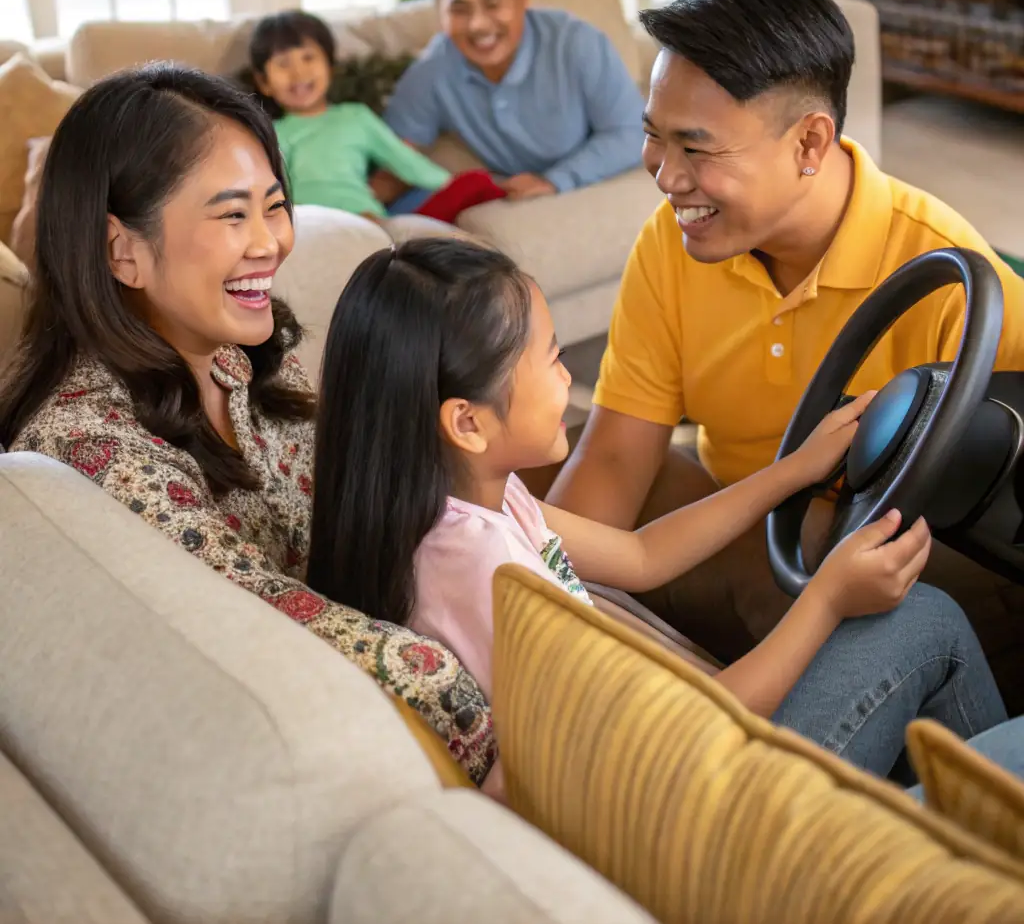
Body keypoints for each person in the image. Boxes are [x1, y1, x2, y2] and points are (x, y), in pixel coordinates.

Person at [307, 236, 1006, 797]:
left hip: (660, 770)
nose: (565, 381)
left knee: (917, 624)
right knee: (929, 622)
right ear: (466, 421)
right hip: (691, 812)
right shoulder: (483, 571)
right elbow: (687, 724)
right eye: (551, 362)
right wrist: (827, 599)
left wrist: (792, 470)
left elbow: (642, 555)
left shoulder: (467, 505)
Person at [0, 63, 494, 784]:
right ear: (121, 250)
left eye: (274, 204)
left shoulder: (242, 356)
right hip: (322, 744)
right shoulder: (90, 447)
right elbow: (267, 626)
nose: (272, 241)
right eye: (233, 214)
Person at [548, 0, 1024, 680]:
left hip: (876, 564)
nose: (664, 175)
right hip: (733, 514)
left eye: (697, 148)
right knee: (525, 438)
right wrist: (535, 616)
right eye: (653, 136)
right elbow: (616, 458)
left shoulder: (947, 274)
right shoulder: (671, 244)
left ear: (809, 143)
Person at [382, 0, 644, 204]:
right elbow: (394, 157)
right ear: (440, 12)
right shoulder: (433, 70)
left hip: (610, 181)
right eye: (459, 10)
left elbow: (631, 132)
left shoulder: (576, 43)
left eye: (492, 4)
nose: (478, 25)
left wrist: (555, 180)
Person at [249, 10, 505, 223]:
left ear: (330, 66)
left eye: (308, 58)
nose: (298, 73)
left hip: (369, 216)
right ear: (264, 82)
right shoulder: (273, 133)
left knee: (474, 182)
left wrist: (450, 185)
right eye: (283, 64)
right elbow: (273, 192)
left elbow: (405, 161)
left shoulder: (356, 117)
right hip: (312, 221)